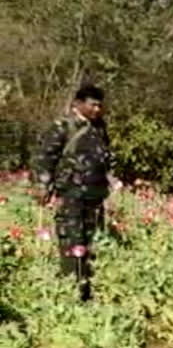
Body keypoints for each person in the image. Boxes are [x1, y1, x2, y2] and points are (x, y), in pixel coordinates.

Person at [35, 84, 117, 301]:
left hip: (95, 196)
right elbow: (45, 157)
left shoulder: (100, 128)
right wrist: (43, 186)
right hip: (70, 195)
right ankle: (71, 291)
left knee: (92, 242)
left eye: (100, 105)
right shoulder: (63, 126)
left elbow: (106, 157)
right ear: (78, 104)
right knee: (71, 241)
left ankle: (88, 289)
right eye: (93, 105)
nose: (97, 109)